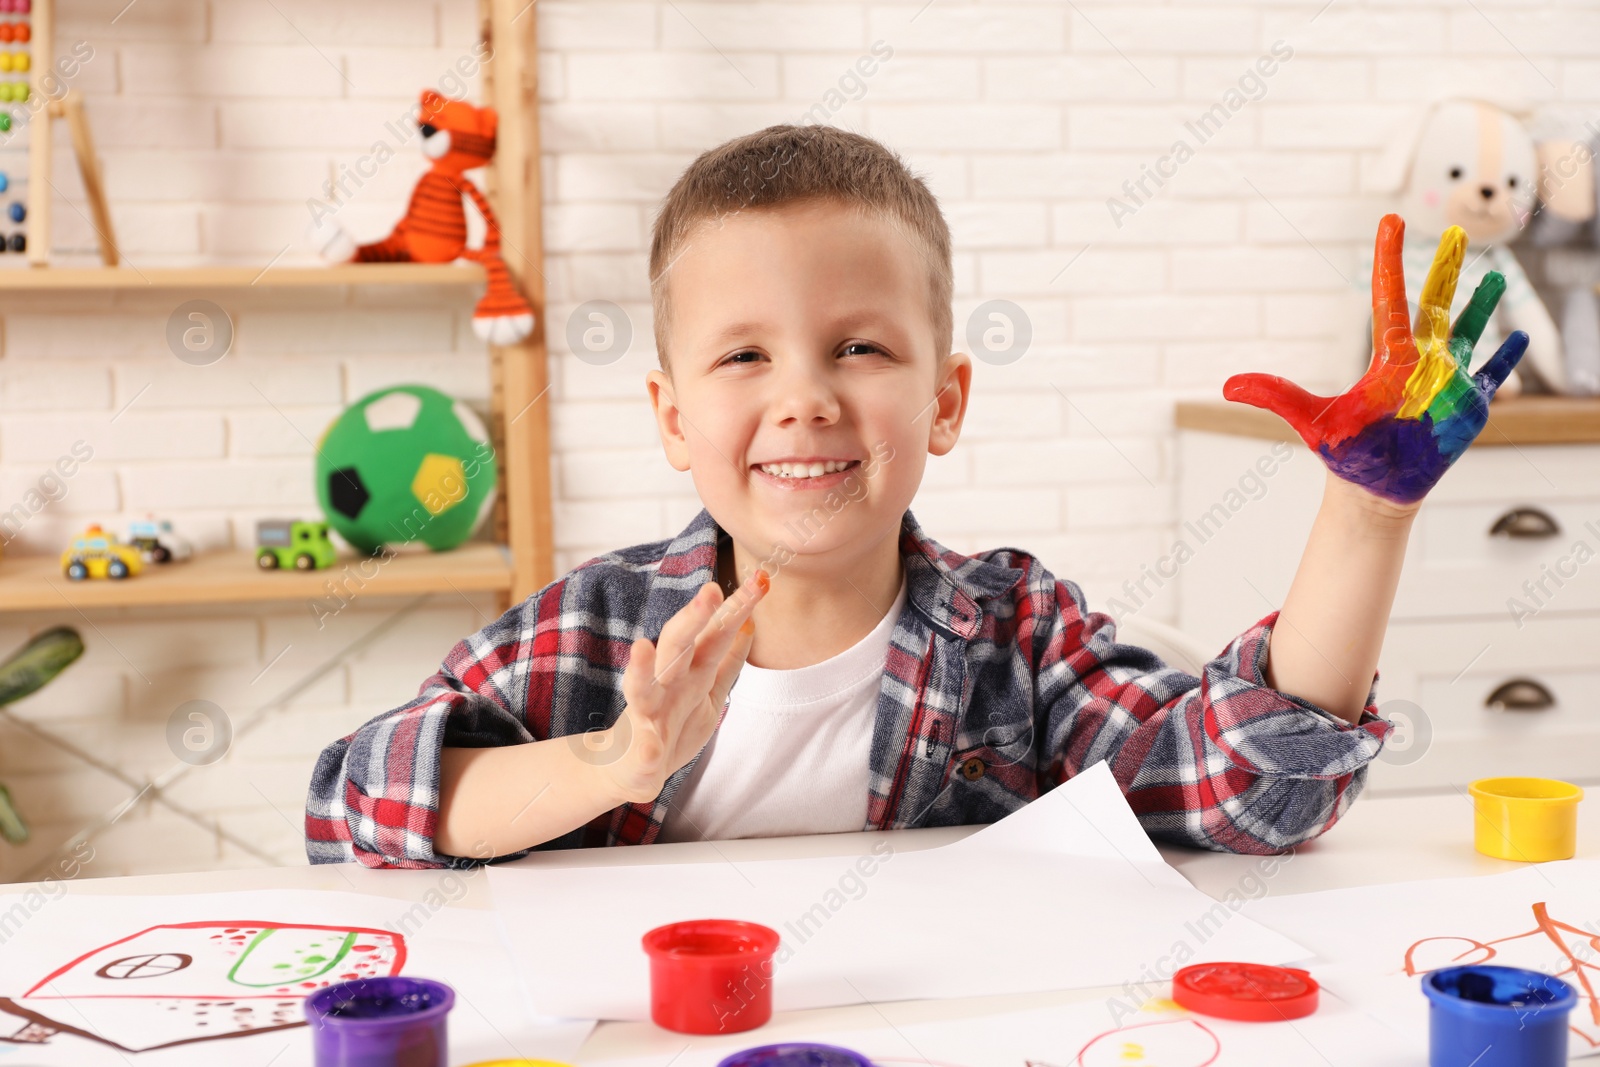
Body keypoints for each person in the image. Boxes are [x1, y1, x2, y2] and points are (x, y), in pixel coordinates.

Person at [305, 123, 1525, 869]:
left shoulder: (1018, 634)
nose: (805, 400)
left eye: (859, 348)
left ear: (944, 400)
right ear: (674, 418)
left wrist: (1368, 512)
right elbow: (359, 798)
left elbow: (1249, 788)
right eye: (744, 357)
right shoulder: (594, 629)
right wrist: (611, 761)